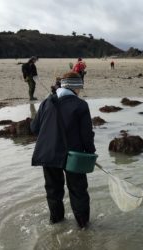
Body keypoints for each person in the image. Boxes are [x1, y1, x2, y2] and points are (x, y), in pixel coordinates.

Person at [31, 72, 96, 228]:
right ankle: (83, 227)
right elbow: (86, 135)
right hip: (73, 156)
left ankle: (56, 223)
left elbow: (34, 128)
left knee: (53, 191)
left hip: (48, 154)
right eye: (79, 87)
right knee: (78, 191)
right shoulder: (81, 105)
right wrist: (91, 153)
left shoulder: (46, 102)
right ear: (75, 87)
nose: (80, 90)